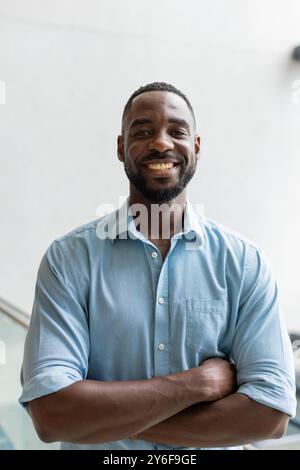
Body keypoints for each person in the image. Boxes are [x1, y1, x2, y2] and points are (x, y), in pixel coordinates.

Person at [19, 82, 296, 450]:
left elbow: (270, 414)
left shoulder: (244, 263)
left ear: (196, 147)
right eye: (143, 131)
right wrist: (196, 385)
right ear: (121, 148)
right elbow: (52, 414)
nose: (162, 143)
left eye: (177, 132)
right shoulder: (69, 260)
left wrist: (111, 423)